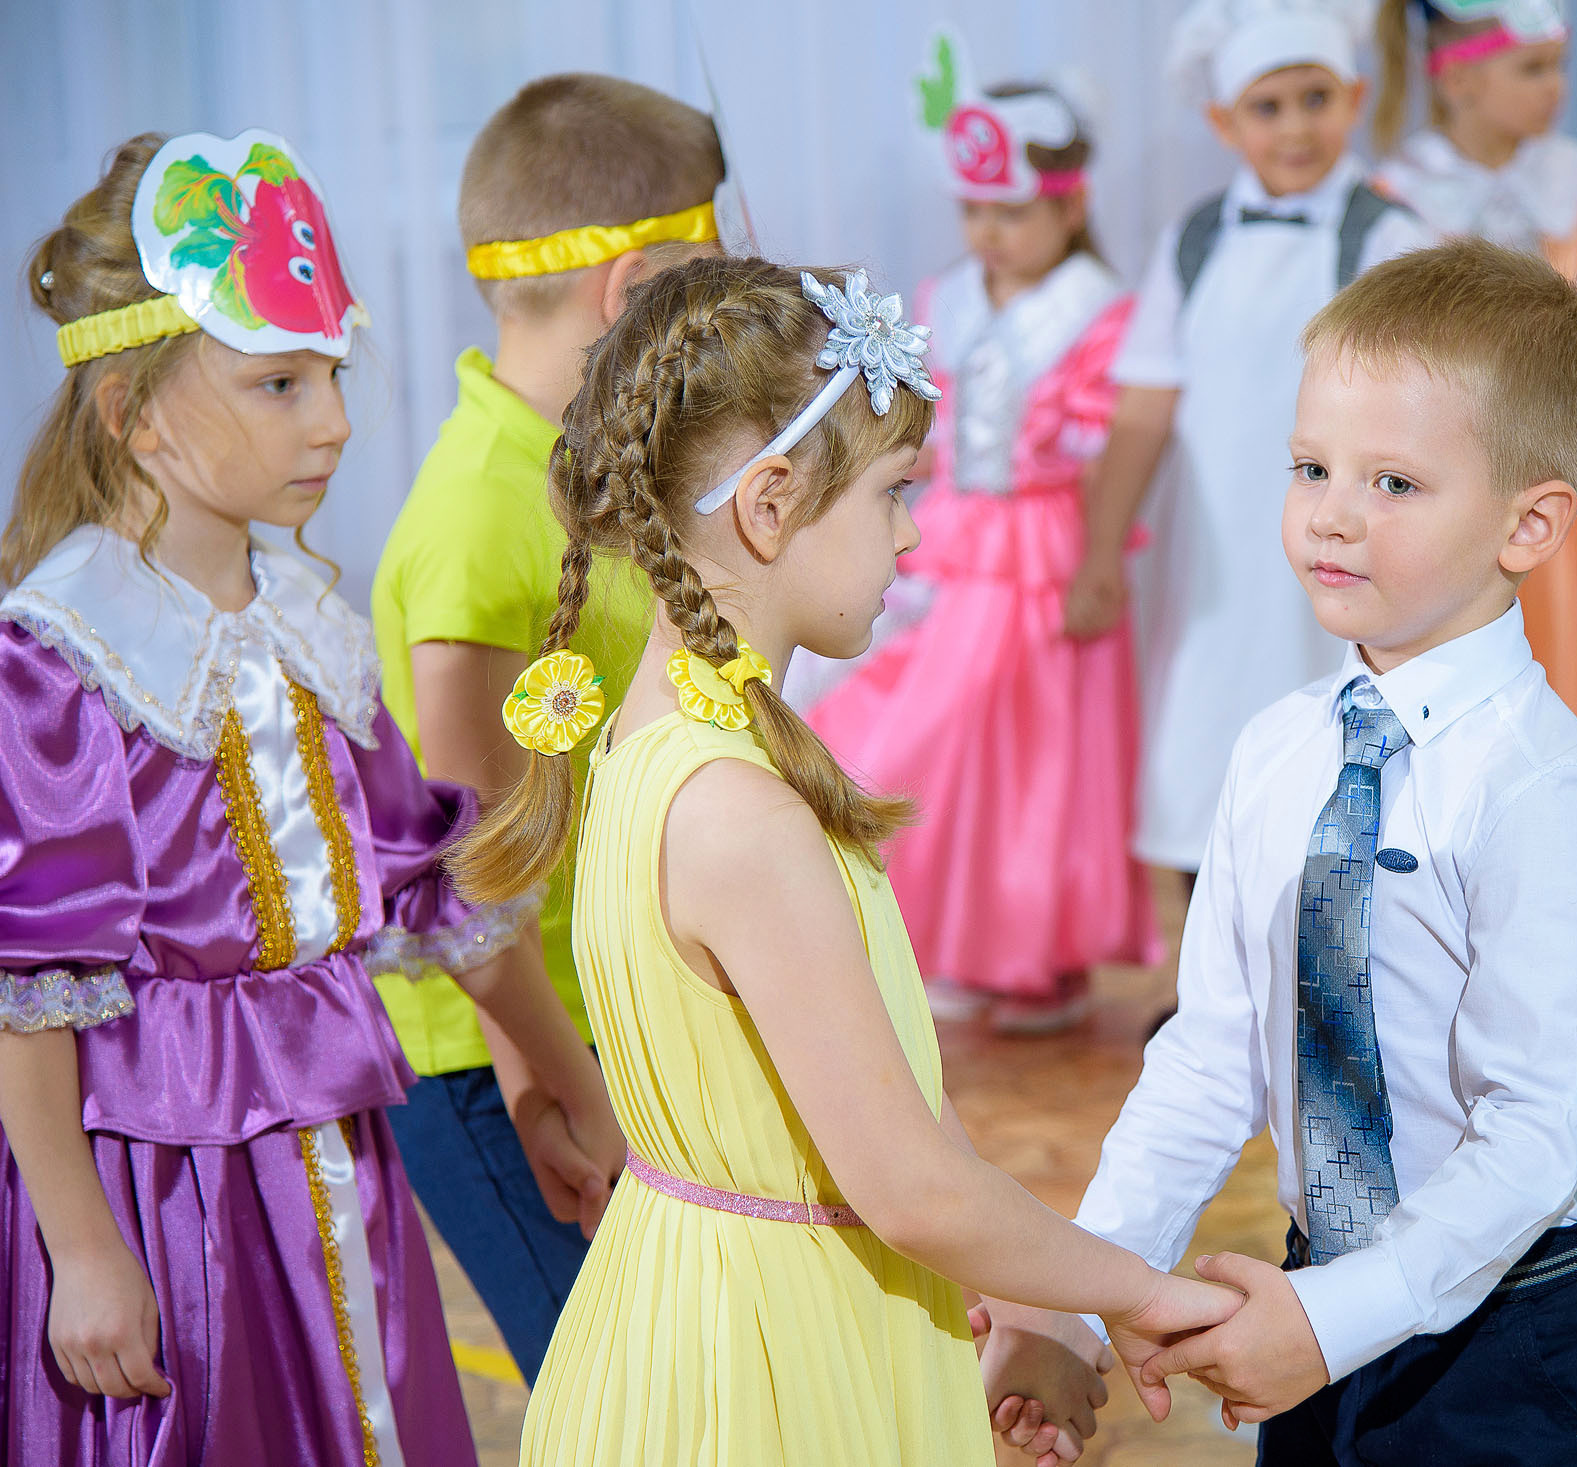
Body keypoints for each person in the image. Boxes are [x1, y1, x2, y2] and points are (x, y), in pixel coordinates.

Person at [447, 255, 1239, 1467]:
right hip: (764, 1368)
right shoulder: (736, 811)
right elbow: (911, 1190)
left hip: (726, 1302)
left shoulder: (665, 734)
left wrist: (1024, 1292)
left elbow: (890, 1092)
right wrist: (1140, 1293)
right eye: (892, 492)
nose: (914, 533)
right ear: (768, 507)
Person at [993, 240, 1577, 1465]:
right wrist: (1081, 1297)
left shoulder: (1542, 796)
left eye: (1395, 483)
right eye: (1311, 467)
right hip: (1316, 1308)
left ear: (1530, 523)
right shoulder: (1276, 751)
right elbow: (1210, 1057)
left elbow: (1535, 1133)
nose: (1332, 514)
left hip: (1516, 1337)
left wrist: (1334, 1320)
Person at [0, 130, 611, 1467]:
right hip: (168, 1188)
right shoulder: (62, 656)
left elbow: (430, 885)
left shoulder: (306, 625)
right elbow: (28, 987)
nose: (332, 419)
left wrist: (570, 1088)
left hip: (332, 1161)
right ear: (132, 412)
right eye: (278, 383)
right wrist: (83, 1246)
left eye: (331, 374)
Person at [367, 73, 720, 1380]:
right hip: (498, 1066)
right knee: (606, 1393)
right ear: (630, 290)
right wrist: (558, 1077)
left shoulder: (582, 466)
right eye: (710, 274)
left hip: (593, 1035)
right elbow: (469, 870)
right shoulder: (476, 517)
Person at [802, 44, 1157, 1035]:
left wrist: (1094, 560)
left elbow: (1101, 446)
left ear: (1069, 204)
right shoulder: (946, 296)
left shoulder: (1100, 312)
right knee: (932, 737)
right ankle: (946, 937)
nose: (988, 234)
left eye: (1011, 212)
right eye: (974, 211)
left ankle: (1031, 955)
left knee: (1037, 755)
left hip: (1043, 551)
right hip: (951, 539)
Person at [1062, 0, 1438, 883]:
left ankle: (1319, 973)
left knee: (1330, 735)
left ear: (1354, 98)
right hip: (1217, 555)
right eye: (1268, 108)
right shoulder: (1193, 240)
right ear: (1223, 123)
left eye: (1316, 98)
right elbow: (1145, 406)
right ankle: (1215, 986)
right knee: (1209, 733)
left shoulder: (1387, 235)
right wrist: (1102, 549)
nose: (1296, 127)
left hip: (1341, 544)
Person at [1371, 0, 1577, 740]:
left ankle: (1556, 769)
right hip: (1435, 453)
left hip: (1541, 449)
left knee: (1551, 608)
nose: (1554, 86)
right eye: (1532, 68)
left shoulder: (1575, 180)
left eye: (1558, 66)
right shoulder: (1399, 193)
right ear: (1459, 80)